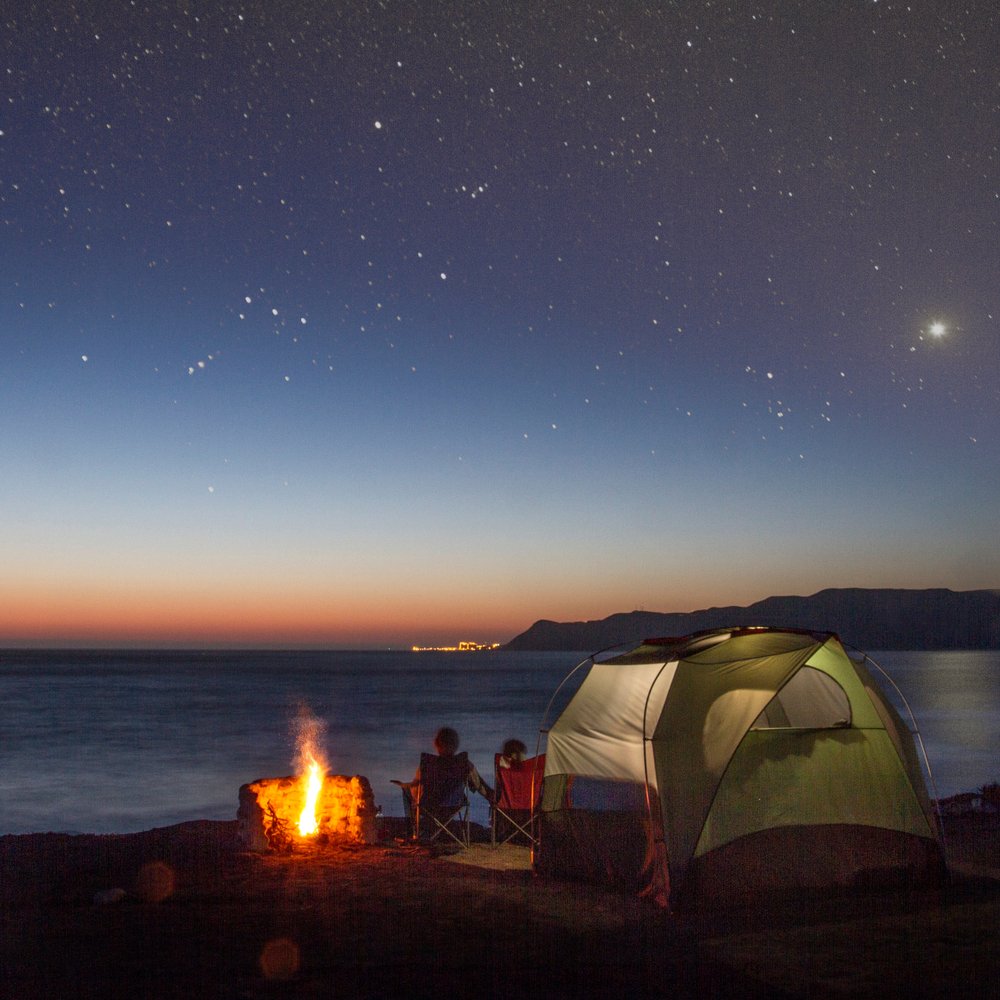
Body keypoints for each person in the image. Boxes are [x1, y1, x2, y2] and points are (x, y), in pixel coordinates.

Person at [394, 727, 493, 835]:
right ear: (455, 745)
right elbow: (477, 784)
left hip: (430, 806)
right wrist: (490, 796)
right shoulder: (464, 763)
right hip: (454, 805)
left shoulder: (428, 764)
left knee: (407, 792)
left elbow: (416, 785)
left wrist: (405, 786)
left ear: (437, 744)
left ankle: (413, 832)